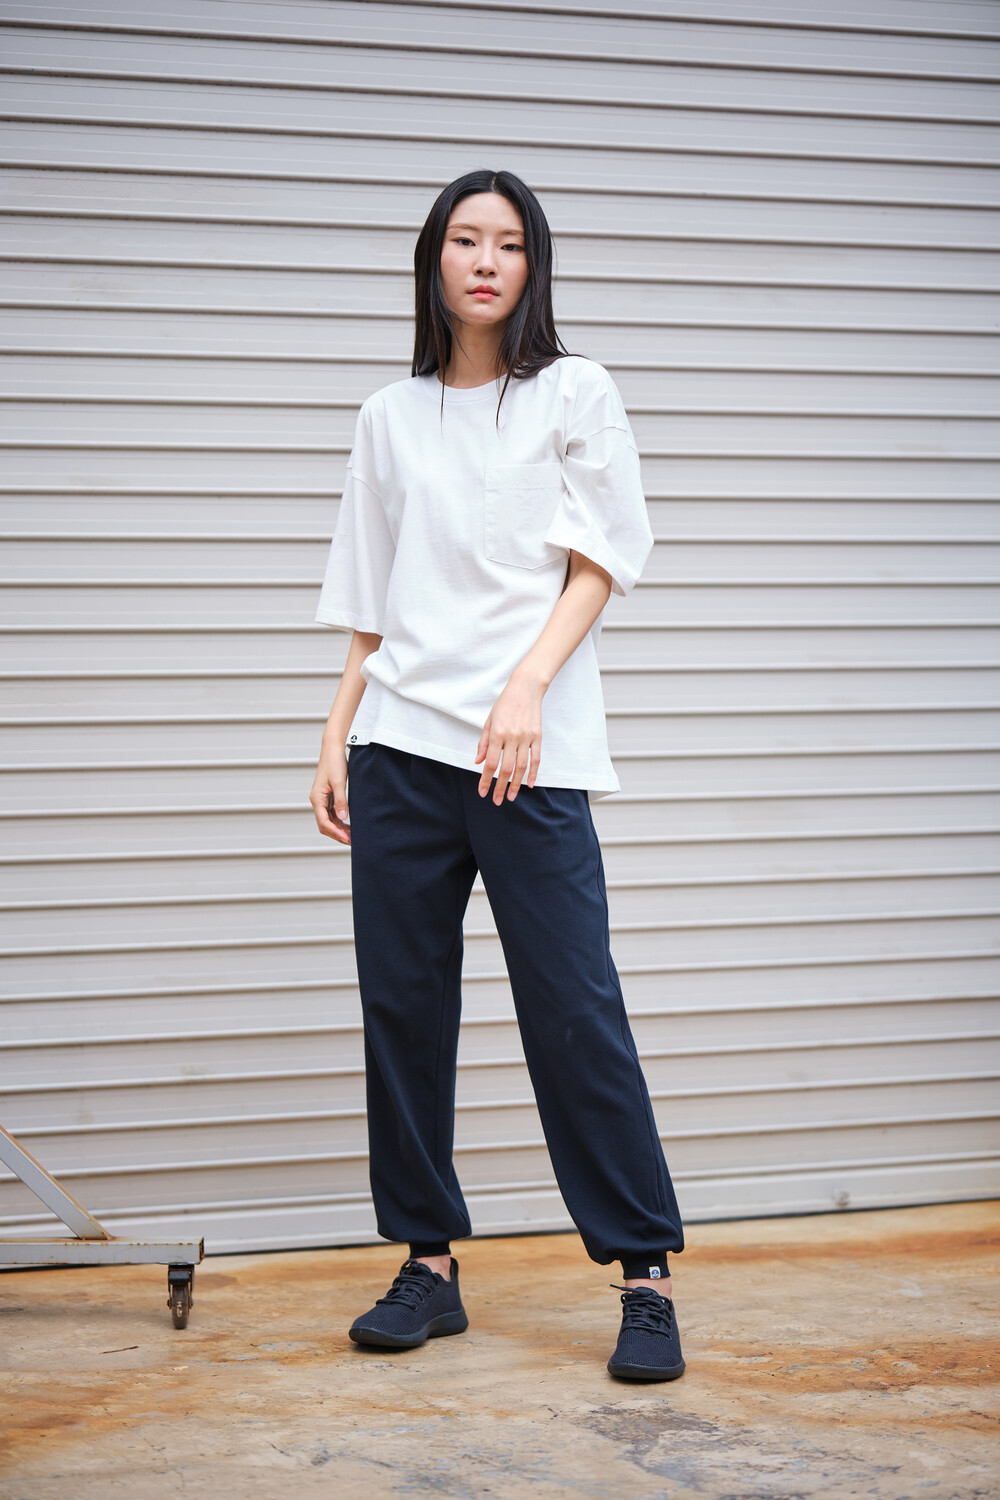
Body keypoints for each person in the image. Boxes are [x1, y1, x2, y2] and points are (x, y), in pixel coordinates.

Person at [309, 168, 685, 1382]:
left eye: (509, 243)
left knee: (574, 1008)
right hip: (400, 749)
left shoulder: (574, 390)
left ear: (534, 265)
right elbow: (371, 595)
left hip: (528, 753)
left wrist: (525, 686)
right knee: (403, 1012)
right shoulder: (389, 414)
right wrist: (335, 734)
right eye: (465, 240)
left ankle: (643, 1277)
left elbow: (601, 558)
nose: (485, 261)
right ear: (434, 259)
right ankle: (428, 1265)